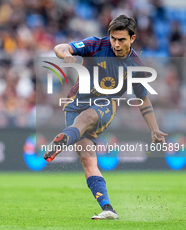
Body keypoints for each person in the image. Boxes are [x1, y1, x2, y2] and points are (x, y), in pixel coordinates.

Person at [43, 14, 167, 219]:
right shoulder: (95, 45)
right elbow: (61, 47)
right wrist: (65, 54)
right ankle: (108, 208)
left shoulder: (136, 65)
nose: (116, 44)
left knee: (86, 119)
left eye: (122, 40)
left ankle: (62, 140)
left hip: (105, 105)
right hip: (75, 103)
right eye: (113, 39)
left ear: (132, 39)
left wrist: (153, 129)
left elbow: (143, 99)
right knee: (88, 162)